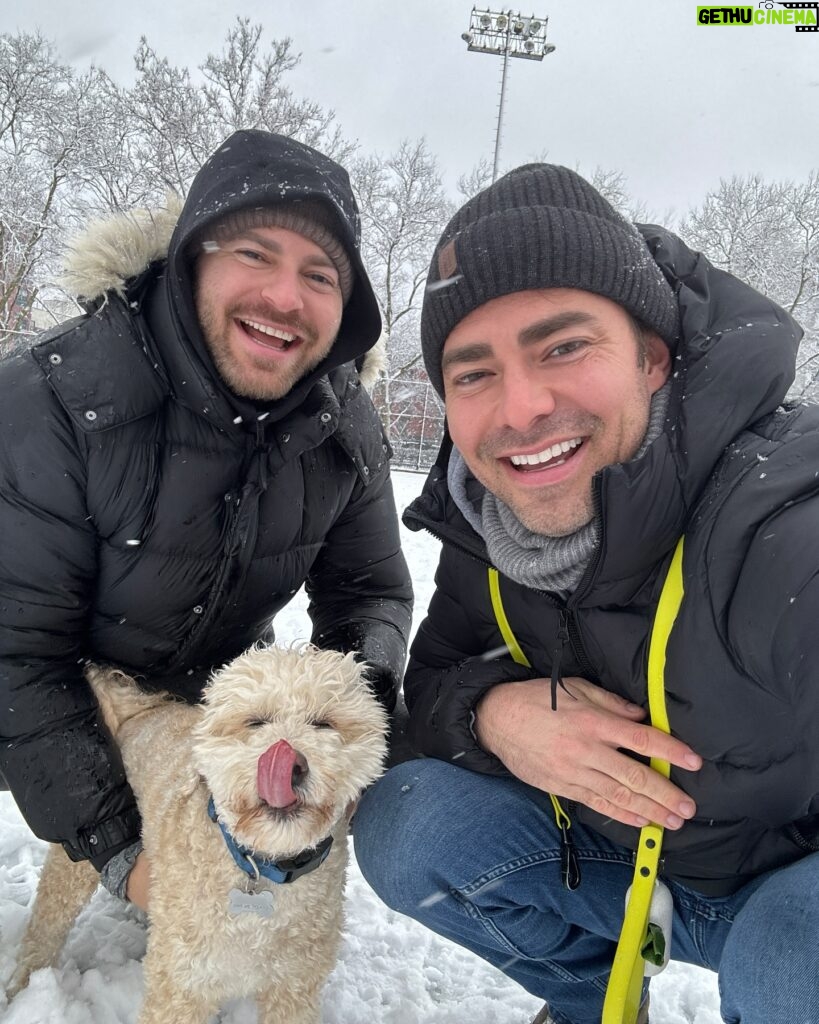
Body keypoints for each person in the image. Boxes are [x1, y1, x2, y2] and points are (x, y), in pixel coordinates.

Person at [353, 164, 819, 1024]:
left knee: (792, 967)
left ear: (650, 356)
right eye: (473, 373)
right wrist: (492, 716)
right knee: (405, 823)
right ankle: (593, 998)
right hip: (617, 871)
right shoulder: (488, 528)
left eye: (563, 347)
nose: (522, 408)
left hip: (792, 899)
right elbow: (428, 702)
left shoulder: (779, 512)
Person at [0, 130, 412, 912]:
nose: (286, 297)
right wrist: (127, 854)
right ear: (192, 257)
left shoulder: (344, 421)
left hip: (204, 689)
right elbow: (17, 656)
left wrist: (343, 725)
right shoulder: (48, 402)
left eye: (319, 274)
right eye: (254, 254)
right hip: (50, 685)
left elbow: (370, 592)